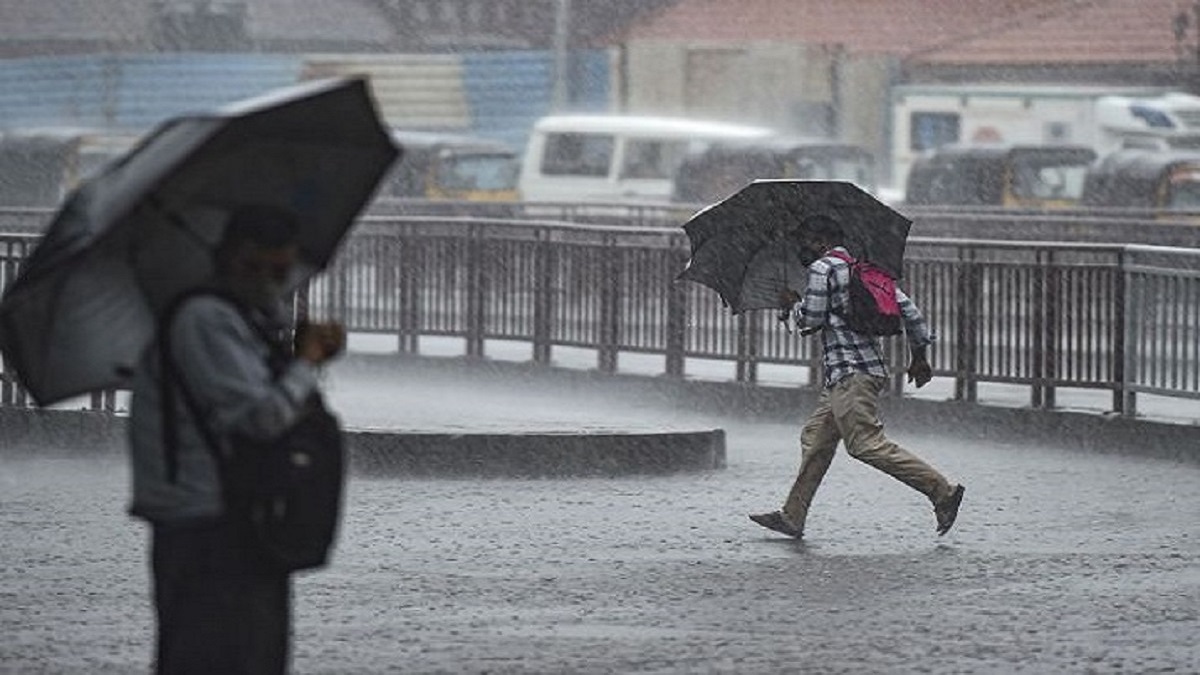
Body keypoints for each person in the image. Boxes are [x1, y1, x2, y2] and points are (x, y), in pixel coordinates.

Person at [127, 205, 346, 674]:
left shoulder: (243, 319)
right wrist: (306, 364)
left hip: (238, 520)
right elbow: (262, 418)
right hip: (207, 526)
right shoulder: (205, 319)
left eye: (281, 271)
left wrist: (298, 356)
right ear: (227, 258)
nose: (269, 281)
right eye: (256, 267)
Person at [750, 215, 965, 539]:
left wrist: (791, 306)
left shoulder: (823, 269)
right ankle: (792, 516)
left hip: (850, 374)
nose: (800, 249)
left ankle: (942, 492)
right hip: (860, 372)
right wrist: (919, 357)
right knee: (816, 439)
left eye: (804, 242)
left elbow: (810, 320)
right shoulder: (863, 269)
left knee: (865, 444)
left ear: (821, 241)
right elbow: (911, 313)